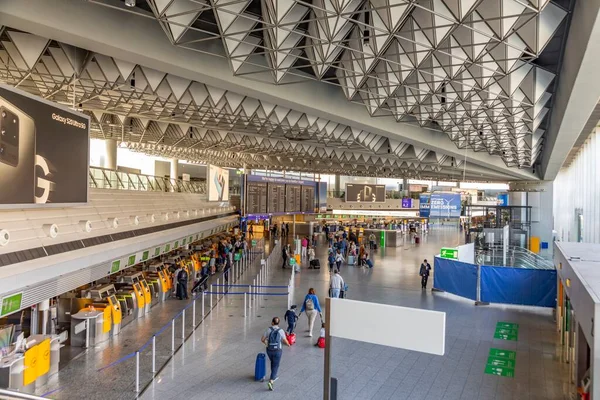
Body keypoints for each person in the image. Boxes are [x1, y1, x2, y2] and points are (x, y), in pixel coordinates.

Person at [261, 317, 290, 391]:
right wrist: (289, 344)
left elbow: (262, 339)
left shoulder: (268, 330)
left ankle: (274, 375)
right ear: (278, 323)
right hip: (277, 350)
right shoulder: (281, 331)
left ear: (272, 322)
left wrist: (266, 344)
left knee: (273, 362)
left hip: (269, 350)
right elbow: (285, 340)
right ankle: (271, 381)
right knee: (276, 365)